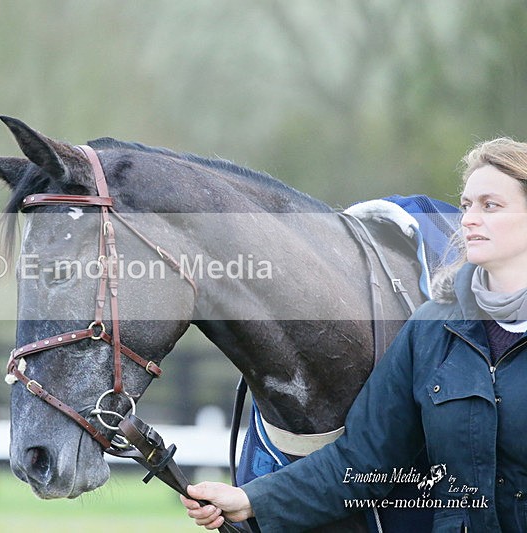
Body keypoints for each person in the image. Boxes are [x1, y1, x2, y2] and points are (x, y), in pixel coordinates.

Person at [180, 137, 527, 532]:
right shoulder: (431, 330)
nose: (468, 219)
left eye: (490, 205)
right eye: (466, 205)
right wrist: (251, 499)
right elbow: (362, 459)